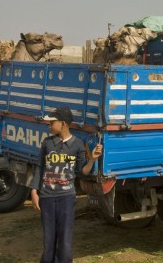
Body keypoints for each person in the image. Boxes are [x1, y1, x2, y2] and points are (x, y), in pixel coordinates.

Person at [30, 105, 102, 263]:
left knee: (65, 242)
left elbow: (83, 171)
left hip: (67, 199)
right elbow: (40, 167)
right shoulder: (47, 143)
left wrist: (93, 159)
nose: (49, 126)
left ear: (63, 123)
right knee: (48, 242)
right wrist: (34, 191)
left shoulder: (77, 145)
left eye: (52, 123)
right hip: (47, 198)